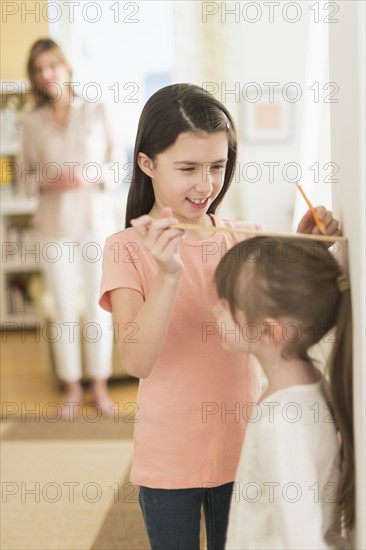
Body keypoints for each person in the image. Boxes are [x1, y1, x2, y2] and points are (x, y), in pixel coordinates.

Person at [99, 83, 342, 550]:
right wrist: (168, 274)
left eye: (217, 166)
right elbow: (137, 361)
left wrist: (305, 247)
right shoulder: (125, 248)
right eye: (188, 168)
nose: (206, 183)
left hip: (245, 448)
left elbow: (276, 313)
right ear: (146, 164)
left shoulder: (244, 237)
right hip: (169, 460)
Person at [213, 236, 353, 549]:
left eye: (226, 303)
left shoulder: (283, 423)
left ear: (268, 331)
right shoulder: (307, 382)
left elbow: (301, 535)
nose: (215, 309)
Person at [19, 38, 122, 419]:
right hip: (54, 226)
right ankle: (72, 387)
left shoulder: (96, 110)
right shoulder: (31, 123)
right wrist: (49, 177)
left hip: (96, 223)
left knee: (99, 307)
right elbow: (25, 177)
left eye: (52, 65)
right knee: (63, 306)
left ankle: (99, 384)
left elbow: (117, 166)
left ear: (66, 67)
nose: (47, 74)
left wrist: (86, 172)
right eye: (39, 69)